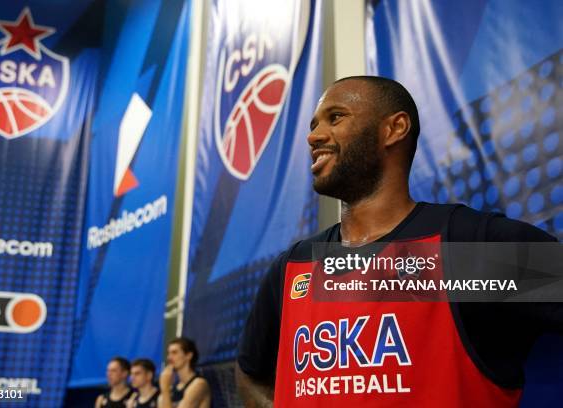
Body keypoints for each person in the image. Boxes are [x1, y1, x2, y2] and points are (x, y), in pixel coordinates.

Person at [235, 76, 562, 407]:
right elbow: (249, 373)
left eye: (336, 117)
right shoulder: (295, 267)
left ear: (394, 128)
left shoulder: (465, 248)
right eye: (314, 124)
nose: (313, 136)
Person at [158, 337, 211, 408]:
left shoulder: (199, 384)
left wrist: (165, 390)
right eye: (169, 353)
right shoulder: (172, 388)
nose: (169, 358)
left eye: (174, 353)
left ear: (189, 356)